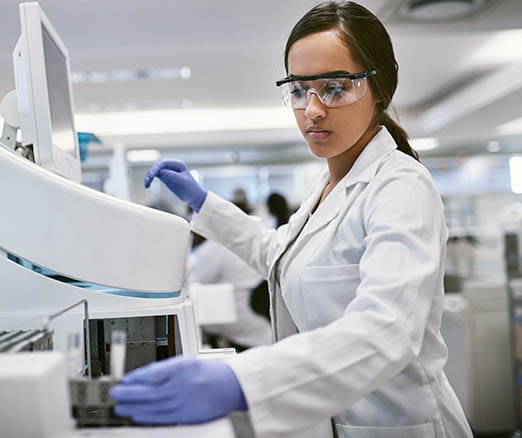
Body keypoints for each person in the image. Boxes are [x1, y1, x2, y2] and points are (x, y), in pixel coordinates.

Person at [111, 2, 471, 437]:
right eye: (299, 90)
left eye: (335, 87)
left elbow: (387, 329)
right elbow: (278, 255)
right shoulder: (329, 186)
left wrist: (241, 382)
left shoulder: (401, 188)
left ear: (380, 89)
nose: (312, 109)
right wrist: (205, 204)